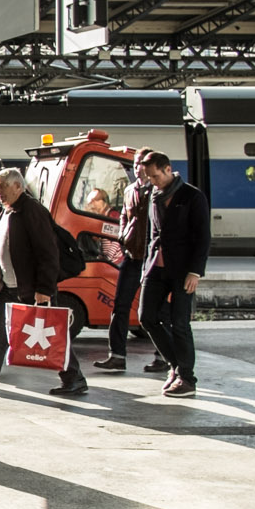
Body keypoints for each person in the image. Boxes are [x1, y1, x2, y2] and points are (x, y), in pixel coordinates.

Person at [0, 168, 88, 396]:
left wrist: (44, 289)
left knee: (52, 334)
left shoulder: (31, 210)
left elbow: (48, 253)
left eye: (2, 188)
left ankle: (74, 378)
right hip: (12, 287)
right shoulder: (7, 210)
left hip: (31, 288)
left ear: (18, 186)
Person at [139, 151, 212, 397]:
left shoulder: (192, 196)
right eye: (149, 177)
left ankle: (187, 379)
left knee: (180, 323)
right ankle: (176, 365)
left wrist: (195, 272)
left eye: (155, 175)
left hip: (183, 270)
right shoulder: (154, 195)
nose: (152, 181)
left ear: (168, 169)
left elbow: (203, 237)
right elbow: (151, 234)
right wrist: (144, 269)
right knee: (146, 317)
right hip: (155, 267)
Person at [96, 149, 165, 374]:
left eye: (141, 166)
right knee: (120, 305)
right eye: (134, 165)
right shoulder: (129, 190)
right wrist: (123, 239)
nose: (137, 170)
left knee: (156, 310)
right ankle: (116, 355)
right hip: (133, 256)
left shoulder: (157, 191)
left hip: (152, 258)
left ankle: (162, 355)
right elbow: (125, 217)